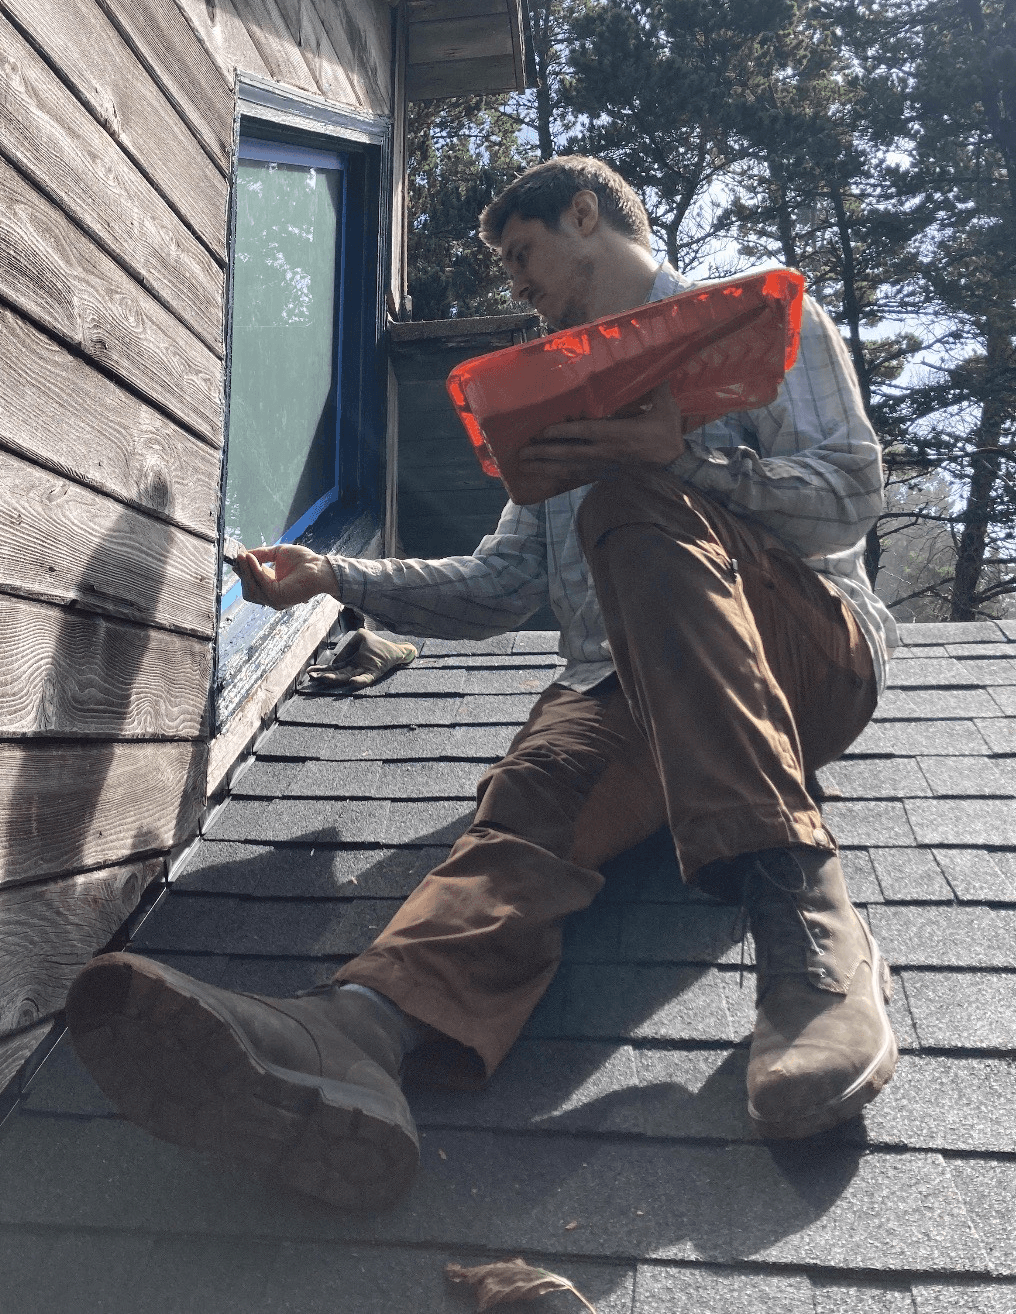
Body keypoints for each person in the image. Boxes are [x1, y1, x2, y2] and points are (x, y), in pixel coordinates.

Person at [65, 156, 899, 1214]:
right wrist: (331, 576)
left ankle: (810, 939)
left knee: (629, 505)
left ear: (586, 214)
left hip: (810, 657)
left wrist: (685, 458)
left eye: (523, 254)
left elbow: (851, 497)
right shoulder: (546, 395)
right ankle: (359, 1031)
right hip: (625, 688)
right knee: (532, 788)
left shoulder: (753, 322)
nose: (517, 286)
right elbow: (501, 582)